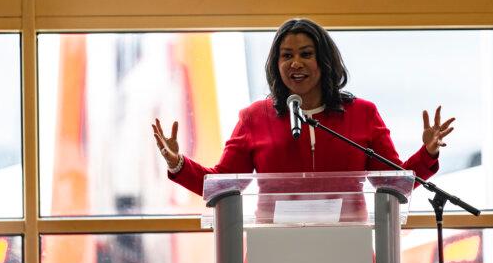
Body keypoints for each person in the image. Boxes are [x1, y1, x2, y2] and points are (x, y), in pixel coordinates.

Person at [153, 18, 454, 204]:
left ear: (325, 61)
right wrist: (178, 163)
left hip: (347, 252)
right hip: (273, 253)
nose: (295, 63)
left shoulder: (362, 113)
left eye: (306, 54)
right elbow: (220, 185)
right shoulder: (254, 118)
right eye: (287, 56)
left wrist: (427, 153)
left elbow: (394, 182)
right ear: (276, 64)